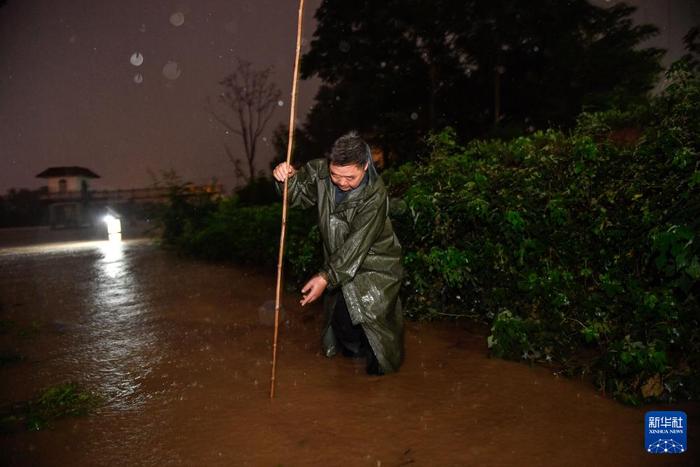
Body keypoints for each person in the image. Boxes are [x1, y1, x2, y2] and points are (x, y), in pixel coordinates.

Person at [273, 131, 404, 375]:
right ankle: (349, 384)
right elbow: (296, 198)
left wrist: (325, 277)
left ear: (365, 166)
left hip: (375, 267)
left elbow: (356, 245)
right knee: (344, 326)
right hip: (339, 264)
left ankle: (379, 383)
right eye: (335, 175)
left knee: (378, 338)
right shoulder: (320, 173)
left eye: (349, 177)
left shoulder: (375, 196)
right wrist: (285, 179)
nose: (342, 182)